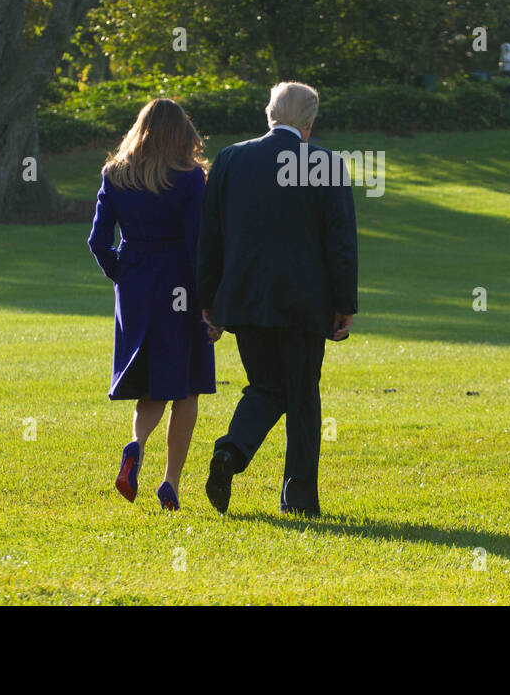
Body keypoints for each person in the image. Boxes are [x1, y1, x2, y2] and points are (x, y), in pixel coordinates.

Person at [197, 81, 358, 517]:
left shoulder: (231, 159)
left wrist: (207, 298)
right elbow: (339, 242)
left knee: (266, 386)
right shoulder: (325, 163)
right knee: (302, 396)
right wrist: (345, 304)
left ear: (269, 114)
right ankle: (299, 498)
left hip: (245, 298)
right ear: (309, 122)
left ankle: (231, 452)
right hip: (305, 302)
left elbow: (209, 237)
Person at [87, 98, 218, 511]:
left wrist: (123, 274)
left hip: (136, 285)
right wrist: (209, 302)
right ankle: (171, 483)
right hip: (180, 283)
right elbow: (199, 243)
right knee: (187, 386)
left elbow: (97, 240)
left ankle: (136, 444)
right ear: (183, 133)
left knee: (150, 380)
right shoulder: (189, 177)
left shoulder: (115, 174)